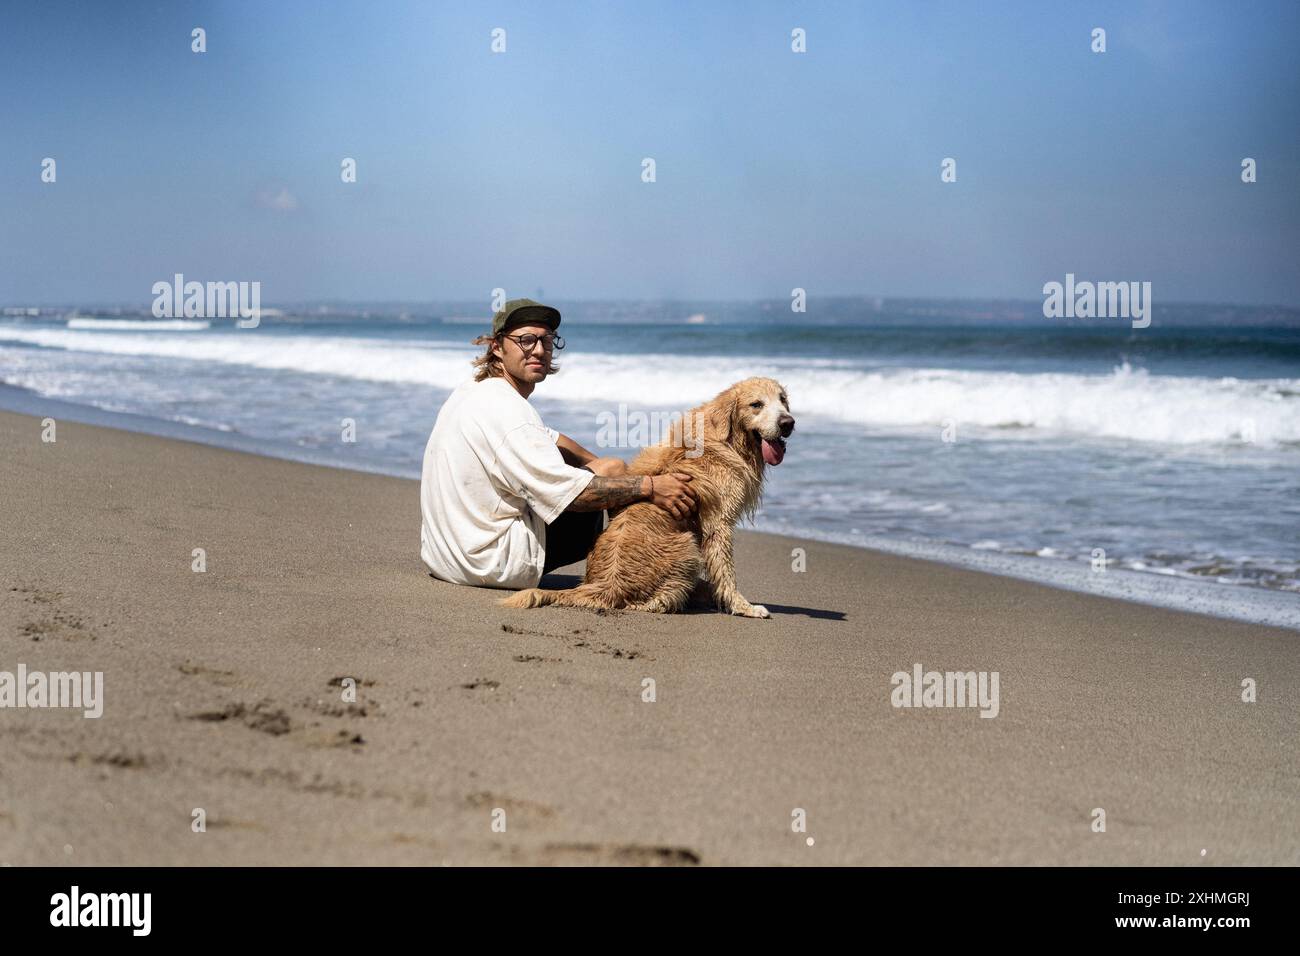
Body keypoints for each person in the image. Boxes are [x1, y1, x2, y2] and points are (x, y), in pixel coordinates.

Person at [419, 298, 698, 589]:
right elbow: (572, 496)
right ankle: (639, 577)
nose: (539, 350)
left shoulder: (475, 392)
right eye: (526, 340)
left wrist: (602, 465)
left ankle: (642, 566)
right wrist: (648, 487)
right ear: (497, 347)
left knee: (610, 469)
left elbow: (553, 440)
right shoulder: (510, 413)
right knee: (608, 481)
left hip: (445, 557)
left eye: (547, 340)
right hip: (491, 563)